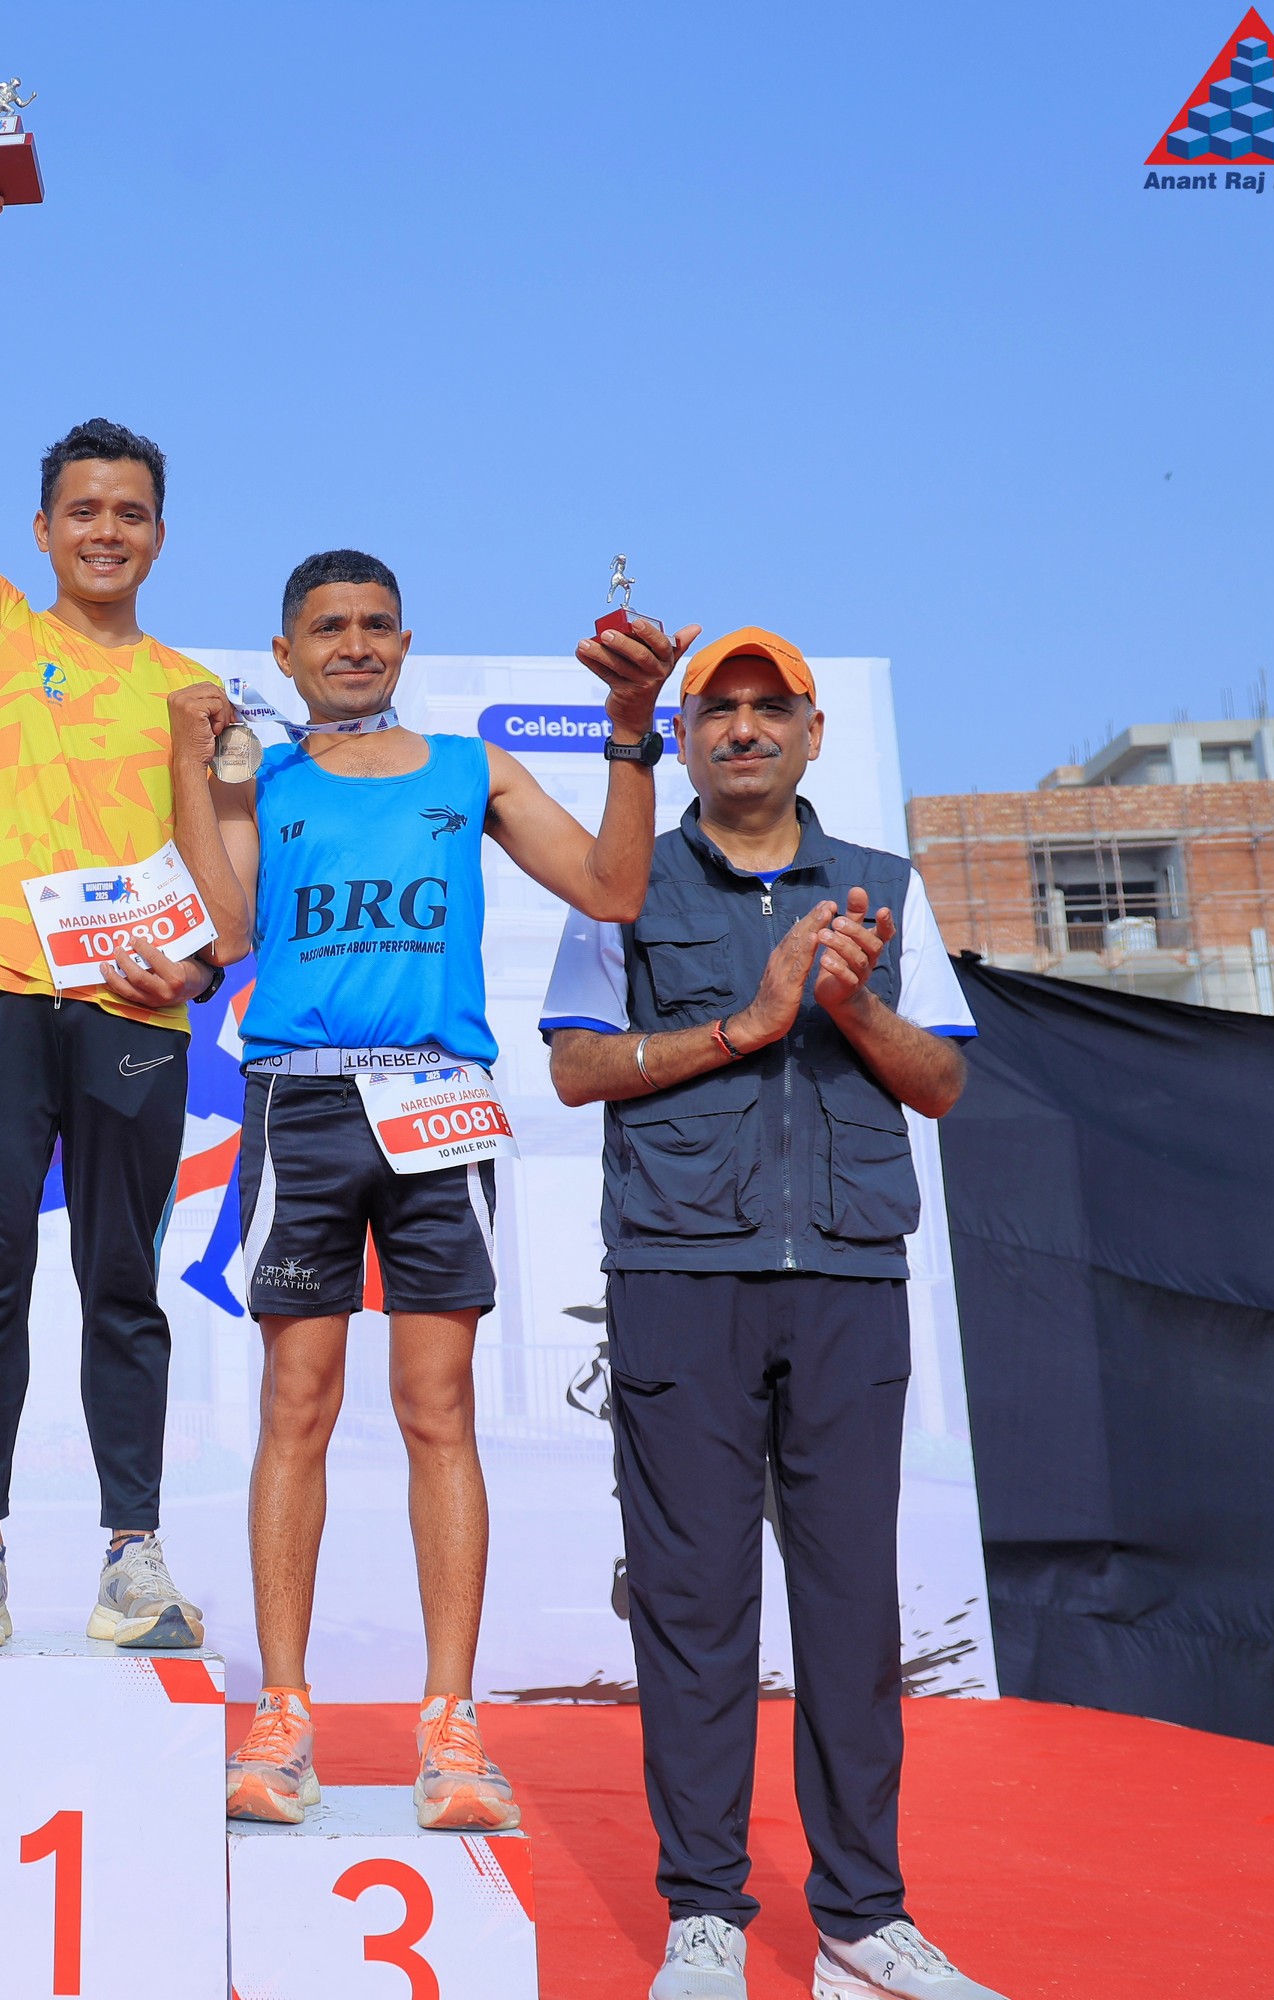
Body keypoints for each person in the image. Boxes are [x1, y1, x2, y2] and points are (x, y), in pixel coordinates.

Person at [538, 631, 1001, 2000]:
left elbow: (943, 1085)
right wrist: (753, 1017)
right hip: (681, 1277)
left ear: (811, 731)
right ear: (683, 738)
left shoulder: (882, 887)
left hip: (849, 1282)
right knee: (692, 1606)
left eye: (769, 707)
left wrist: (847, 1005)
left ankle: (864, 1919)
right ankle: (705, 1916)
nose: (743, 728)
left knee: (852, 1608)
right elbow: (576, 1069)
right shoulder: (620, 882)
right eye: (717, 709)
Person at [212, 552, 686, 1831]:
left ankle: (451, 1723)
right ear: (286, 651)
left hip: (439, 1105)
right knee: (295, 1405)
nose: (354, 644)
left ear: (406, 644)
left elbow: (614, 888)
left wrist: (630, 737)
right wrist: (203, 783)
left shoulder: (472, 768)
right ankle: (284, 1713)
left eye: (376, 624)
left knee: (439, 1410)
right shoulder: (264, 775)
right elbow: (225, 930)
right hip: (301, 1098)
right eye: (328, 627)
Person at [0, 171, 248, 1654]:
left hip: (130, 1011)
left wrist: (201, 962)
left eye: (132, 513)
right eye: (84, 510)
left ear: (160, 534)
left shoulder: (195, 690)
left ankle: (132, 1556)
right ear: (43, 528)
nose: (107, 530)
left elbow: (229, 880)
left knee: (122, 1282)